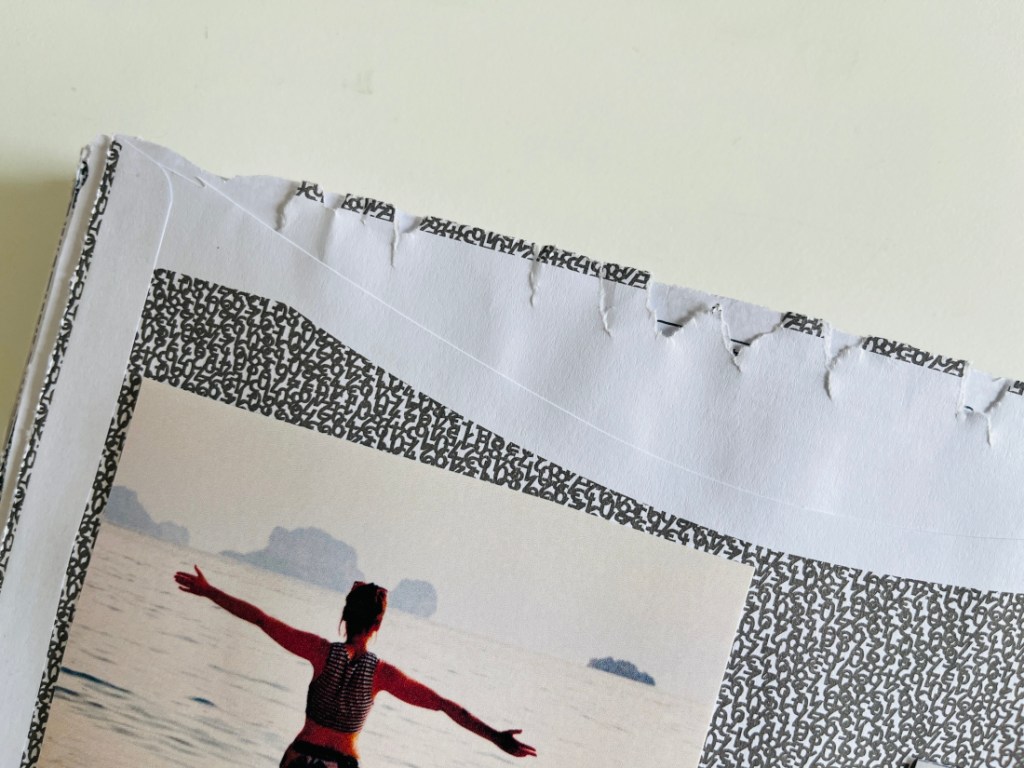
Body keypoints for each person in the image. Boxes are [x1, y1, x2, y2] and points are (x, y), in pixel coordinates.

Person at [174, 566, 537, 768]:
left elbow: (261, 619)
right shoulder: (382, 675)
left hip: (300, 758)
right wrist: (495, 737)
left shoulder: (319, 651)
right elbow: (445, 706)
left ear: (345, 615)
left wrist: (209, 591)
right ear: (378, 624)